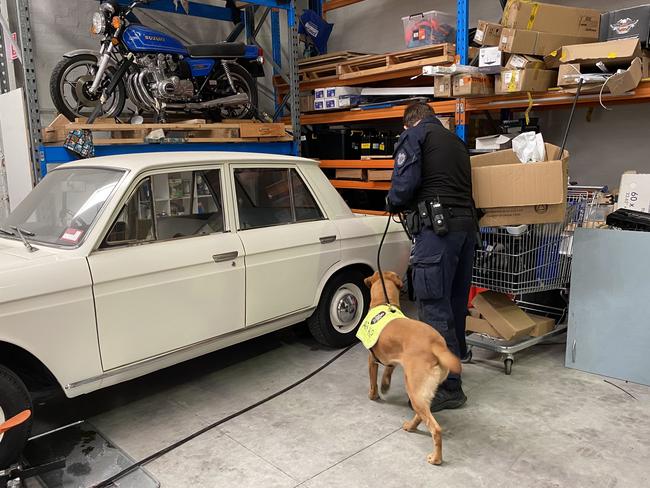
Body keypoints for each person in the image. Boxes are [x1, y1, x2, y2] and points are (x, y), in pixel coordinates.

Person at [386, 102, 477, 412]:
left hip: (437, 233)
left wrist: (392, 200)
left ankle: (449, 388)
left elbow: (404, 187)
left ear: (410, 122)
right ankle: (455, 365)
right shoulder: (457, 142)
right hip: (465, 233)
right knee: (453, 304)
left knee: (433, 307)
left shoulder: (415, 136)